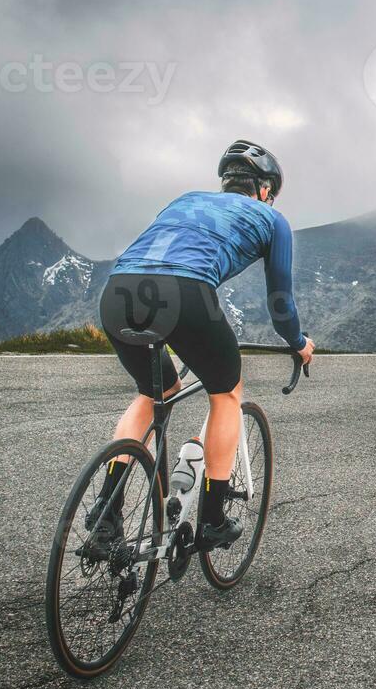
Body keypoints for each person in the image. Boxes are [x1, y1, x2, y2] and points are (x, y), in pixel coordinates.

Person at [87, 140, 313, 554]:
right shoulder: (271, 218)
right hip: (186, 293)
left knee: (153, 392)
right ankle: (212, 518)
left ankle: (106, 512)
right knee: (227, 393)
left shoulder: (185, 199)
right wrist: (297, 343)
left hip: (119, 291)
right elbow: (281, 304)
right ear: (265, 190)